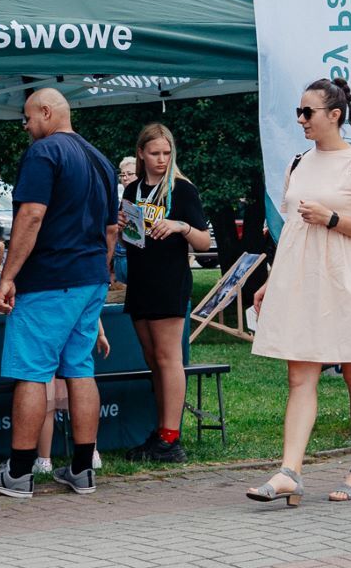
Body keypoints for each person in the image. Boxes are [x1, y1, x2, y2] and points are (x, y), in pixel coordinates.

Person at [245, 78, 351, 506]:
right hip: (303, 280)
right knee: (299, 375)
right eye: (298, 112)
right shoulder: (297, 163)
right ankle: (289, 472)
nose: (300, 119)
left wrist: (332, 218)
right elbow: (292, 231)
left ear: (334, 115)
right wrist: (271, 281)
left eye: (307, 112)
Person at [0, 88, 119, 500]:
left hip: (50, 277)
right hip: (91, 276)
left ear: (45, 111)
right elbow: (112, 229)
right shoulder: (101, 159)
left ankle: (19, 473)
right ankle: (81, 468)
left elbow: (32, 214)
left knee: (32, 372)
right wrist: (98, 269)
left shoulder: (44, 153)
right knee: (80, 369)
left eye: (27, 118)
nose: (25, 127)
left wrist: (8, 275)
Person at [118, 123, 209, 464]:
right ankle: (161, 433)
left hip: (170, 281)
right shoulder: (132, 190)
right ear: (140, 153)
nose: (161, 159)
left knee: (169, 357)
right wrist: (124, 225)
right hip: (140, 282)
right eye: (154, 153)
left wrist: (180, 226)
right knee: (152, 358)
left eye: (166, 153)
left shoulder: (182, 190)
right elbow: (129, 237)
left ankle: (171, 438)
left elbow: (202, 242)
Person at [32, 327, 110, 475]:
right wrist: (101, 333)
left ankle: (44, 461)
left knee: (48, 404)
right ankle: (91, 454)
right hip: (74, 344)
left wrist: (101, 333)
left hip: (48, 341)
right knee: (81, 397)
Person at [110, 156, 136, 286]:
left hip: (132, 256)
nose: (125, 177)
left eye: (130, 174)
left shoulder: (143, 197)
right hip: (119, 256)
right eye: (122, 174)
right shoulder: (119, 196)